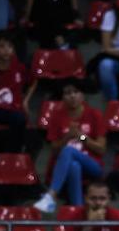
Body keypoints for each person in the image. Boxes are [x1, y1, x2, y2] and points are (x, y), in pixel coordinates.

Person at [34, 82, 108, 212]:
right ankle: (78, 212)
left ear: (82, 95)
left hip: (92, 165)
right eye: (68, 93)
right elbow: (55, 151)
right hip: (67, 165)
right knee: (74, 166)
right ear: (63, 98)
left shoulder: (94, 115)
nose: (72, 96)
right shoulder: (57, 116)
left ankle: (51, 195)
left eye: (76, 92)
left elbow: (101, 149)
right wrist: (67, 137)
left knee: (69, 150)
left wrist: (81, 137)